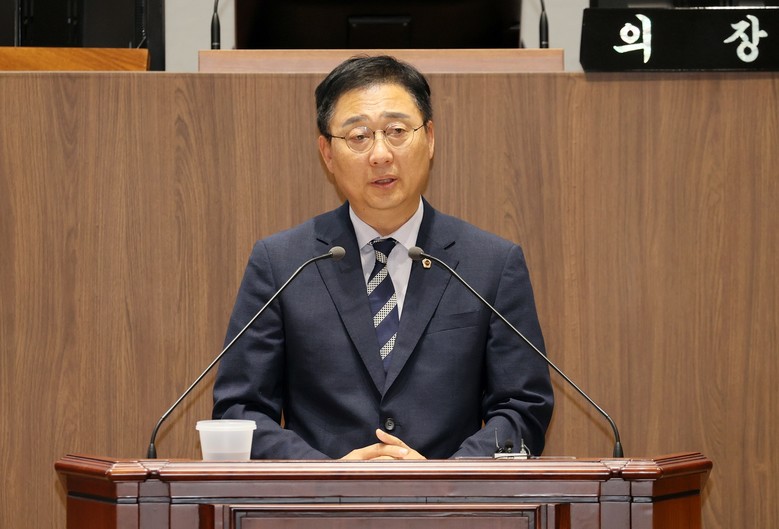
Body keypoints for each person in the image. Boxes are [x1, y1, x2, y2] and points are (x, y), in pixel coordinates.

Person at [212, 55, 553, 460]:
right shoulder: (282, 263)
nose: (380, 154)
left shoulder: (491, 264)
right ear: (327, 153)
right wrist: (325, 474)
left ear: (429, 138)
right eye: (358, 136)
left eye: (396, 131)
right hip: (320, 499)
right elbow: (239, 410)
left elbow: (523, 407)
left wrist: (445, 477)